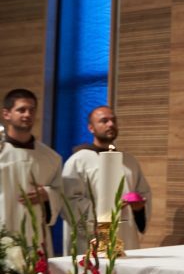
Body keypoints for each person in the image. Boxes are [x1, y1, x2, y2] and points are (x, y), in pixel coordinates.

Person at [61, 106, 151, 253]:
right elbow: (69, 200)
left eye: (113, 120)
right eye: (104, 121)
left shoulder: (130, 161)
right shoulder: (78, 161)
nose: (111, 124)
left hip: (125, 235)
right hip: (92, 239)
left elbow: (143, 193)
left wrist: (139, 208)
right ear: (91, 128)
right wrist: (107, 210)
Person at [0, 89, 63, 255]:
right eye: (21, 110)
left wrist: (48, 195)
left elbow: (61, 193)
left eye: (32, 110)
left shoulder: (50, 157)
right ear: (6, 114)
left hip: (35, 236)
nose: (27, 114)